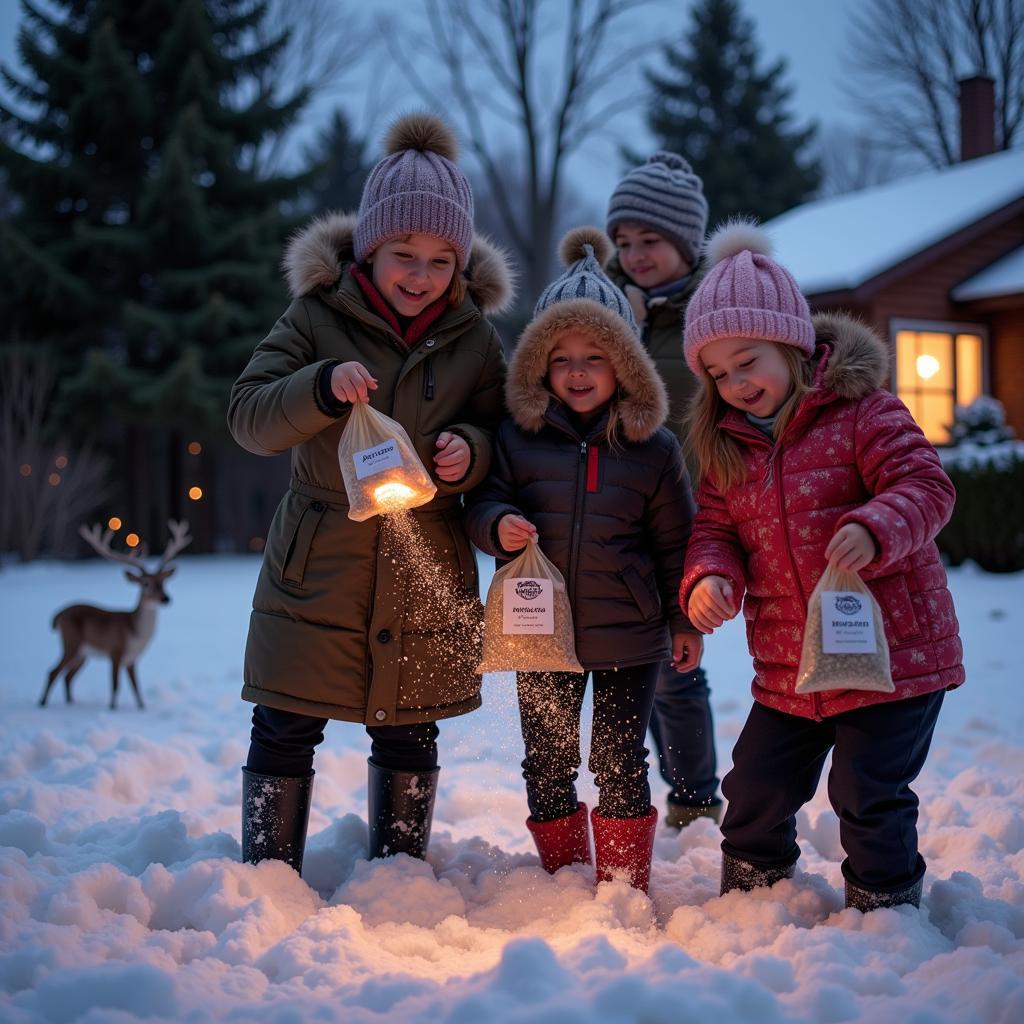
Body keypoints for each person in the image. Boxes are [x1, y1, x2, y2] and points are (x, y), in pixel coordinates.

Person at [227, 113, 513, 876]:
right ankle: (267, 873)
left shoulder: (476, 340)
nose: (420, 275)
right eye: (403, 255)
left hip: (427, 561)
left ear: (461, 263)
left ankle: (399, 876)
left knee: (411, 727)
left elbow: (503, 439)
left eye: (440, 260)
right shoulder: (317, 316)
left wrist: (471, 453)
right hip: (320, 562)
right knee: (285, 718)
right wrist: (317, 387)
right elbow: (250, 416)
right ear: (368, 249)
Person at [679, 220, 964, 911]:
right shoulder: (727, 447)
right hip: (792, 667)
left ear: (792, 343)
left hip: (893, 659)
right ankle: (752, 900)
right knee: (754, 787)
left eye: (747, 361)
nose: (735, 383)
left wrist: (875, 527)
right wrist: (708, 579)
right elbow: (714, 530)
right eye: (717, 374)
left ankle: (886, 908)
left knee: (866, 791)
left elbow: (928, 486)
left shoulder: (863, 412)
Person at [466, 227, 702, 893]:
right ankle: (562, 875)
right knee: (548, 756)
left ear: (624, 364)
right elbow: (483, 502)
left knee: (620, 756)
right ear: (538, 364)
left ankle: (623, 881)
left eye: (594, 356)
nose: (576, 370)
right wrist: (496, 524)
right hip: (540, 631)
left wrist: (683, 623)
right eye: (560, 356)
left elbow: (674, 544)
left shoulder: (652, 450)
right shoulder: (518, 439)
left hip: (630, 632)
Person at [606, 152, 722, 828]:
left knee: (676, 669)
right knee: (633, 664)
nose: (636, 254)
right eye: (625, 242)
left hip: (688, 515)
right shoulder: (614, 312)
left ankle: (695, 801)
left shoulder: (714, 312)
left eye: (650, 240)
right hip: (617, 516)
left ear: (684, 240)